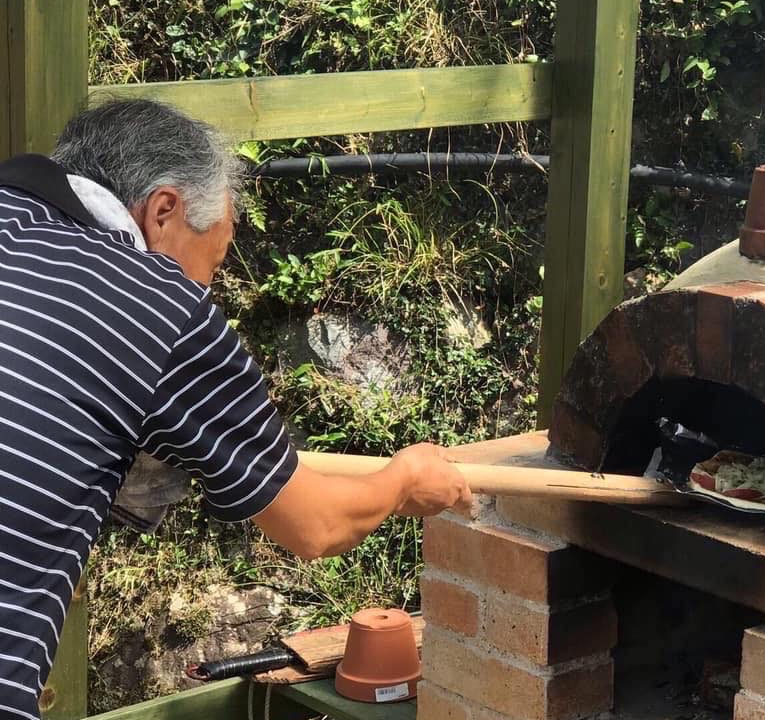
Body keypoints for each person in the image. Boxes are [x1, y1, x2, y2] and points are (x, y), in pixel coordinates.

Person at [0, 98, 471, 720]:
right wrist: (406, 478)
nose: (205, 290)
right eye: (212, 263)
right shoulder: (159, 308)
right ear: (163, 211)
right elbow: (318, 524)